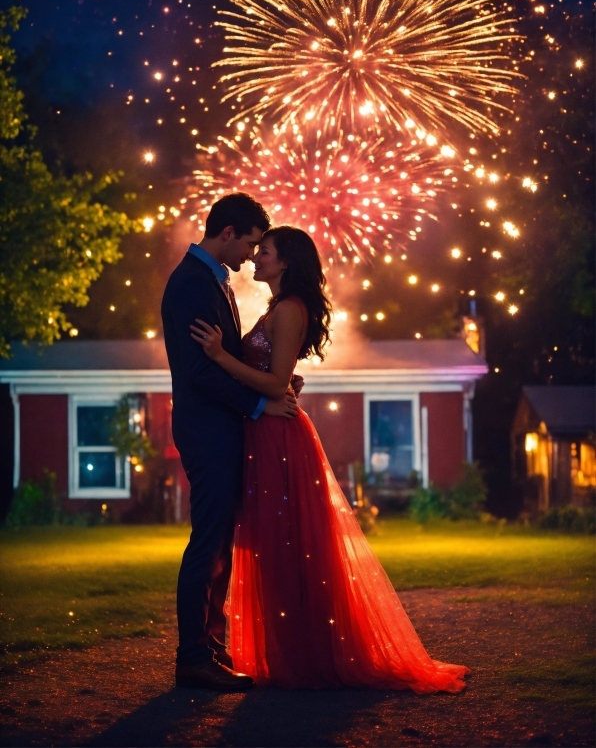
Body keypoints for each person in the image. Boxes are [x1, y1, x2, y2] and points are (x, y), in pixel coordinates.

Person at [191, 226, 470, 693]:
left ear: (286, 262)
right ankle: (289, 651)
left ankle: (302, 655)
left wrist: (219, 356)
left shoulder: (291, 310)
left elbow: (277, 382)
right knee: (271, 545)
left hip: (278, 435)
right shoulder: (278, 308)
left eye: (266, 252)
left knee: (285, 544)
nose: (257, 259)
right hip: (264, 431)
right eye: (257, 251)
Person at [161, 194, 301, 692]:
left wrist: (272, 382)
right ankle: (192, 655)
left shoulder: (209, 280)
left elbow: (228, 359)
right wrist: (259, 405)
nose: (250, 255)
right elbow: (200, 370)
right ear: (227, 233)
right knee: (208, 541)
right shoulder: (192, 285)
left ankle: (209, 645)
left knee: (221, 542)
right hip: (208, 430)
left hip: (221, 428)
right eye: (249, 243)